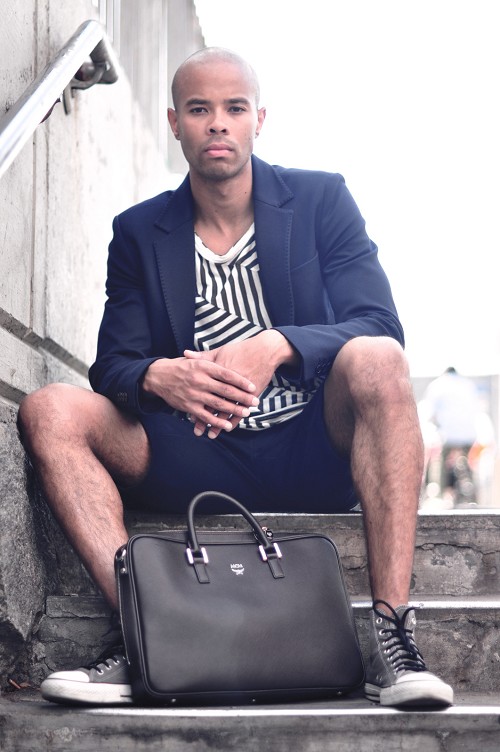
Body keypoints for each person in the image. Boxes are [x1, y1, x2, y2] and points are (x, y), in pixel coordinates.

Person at [17, 47, 453, 708]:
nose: (217, 122)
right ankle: (146, 637)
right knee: (50, 408)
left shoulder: (320, 200)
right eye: (199, 109)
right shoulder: (138, 232)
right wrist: (161, 377)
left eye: (234, 108)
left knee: (380, 359)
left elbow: (378, 323)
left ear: (258, 120)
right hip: (193, 452)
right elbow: (113, 366)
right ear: (175, 123)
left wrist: (277, 344)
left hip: (312, 445)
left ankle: (394, 638)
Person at [420, 367, 482, 506]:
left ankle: (440, 495)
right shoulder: (468, 384)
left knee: (440, 462)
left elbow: (428, 412)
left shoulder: (437, 385)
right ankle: (474, 497)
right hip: (468, 434)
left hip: (447, 435)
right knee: (467, 463)